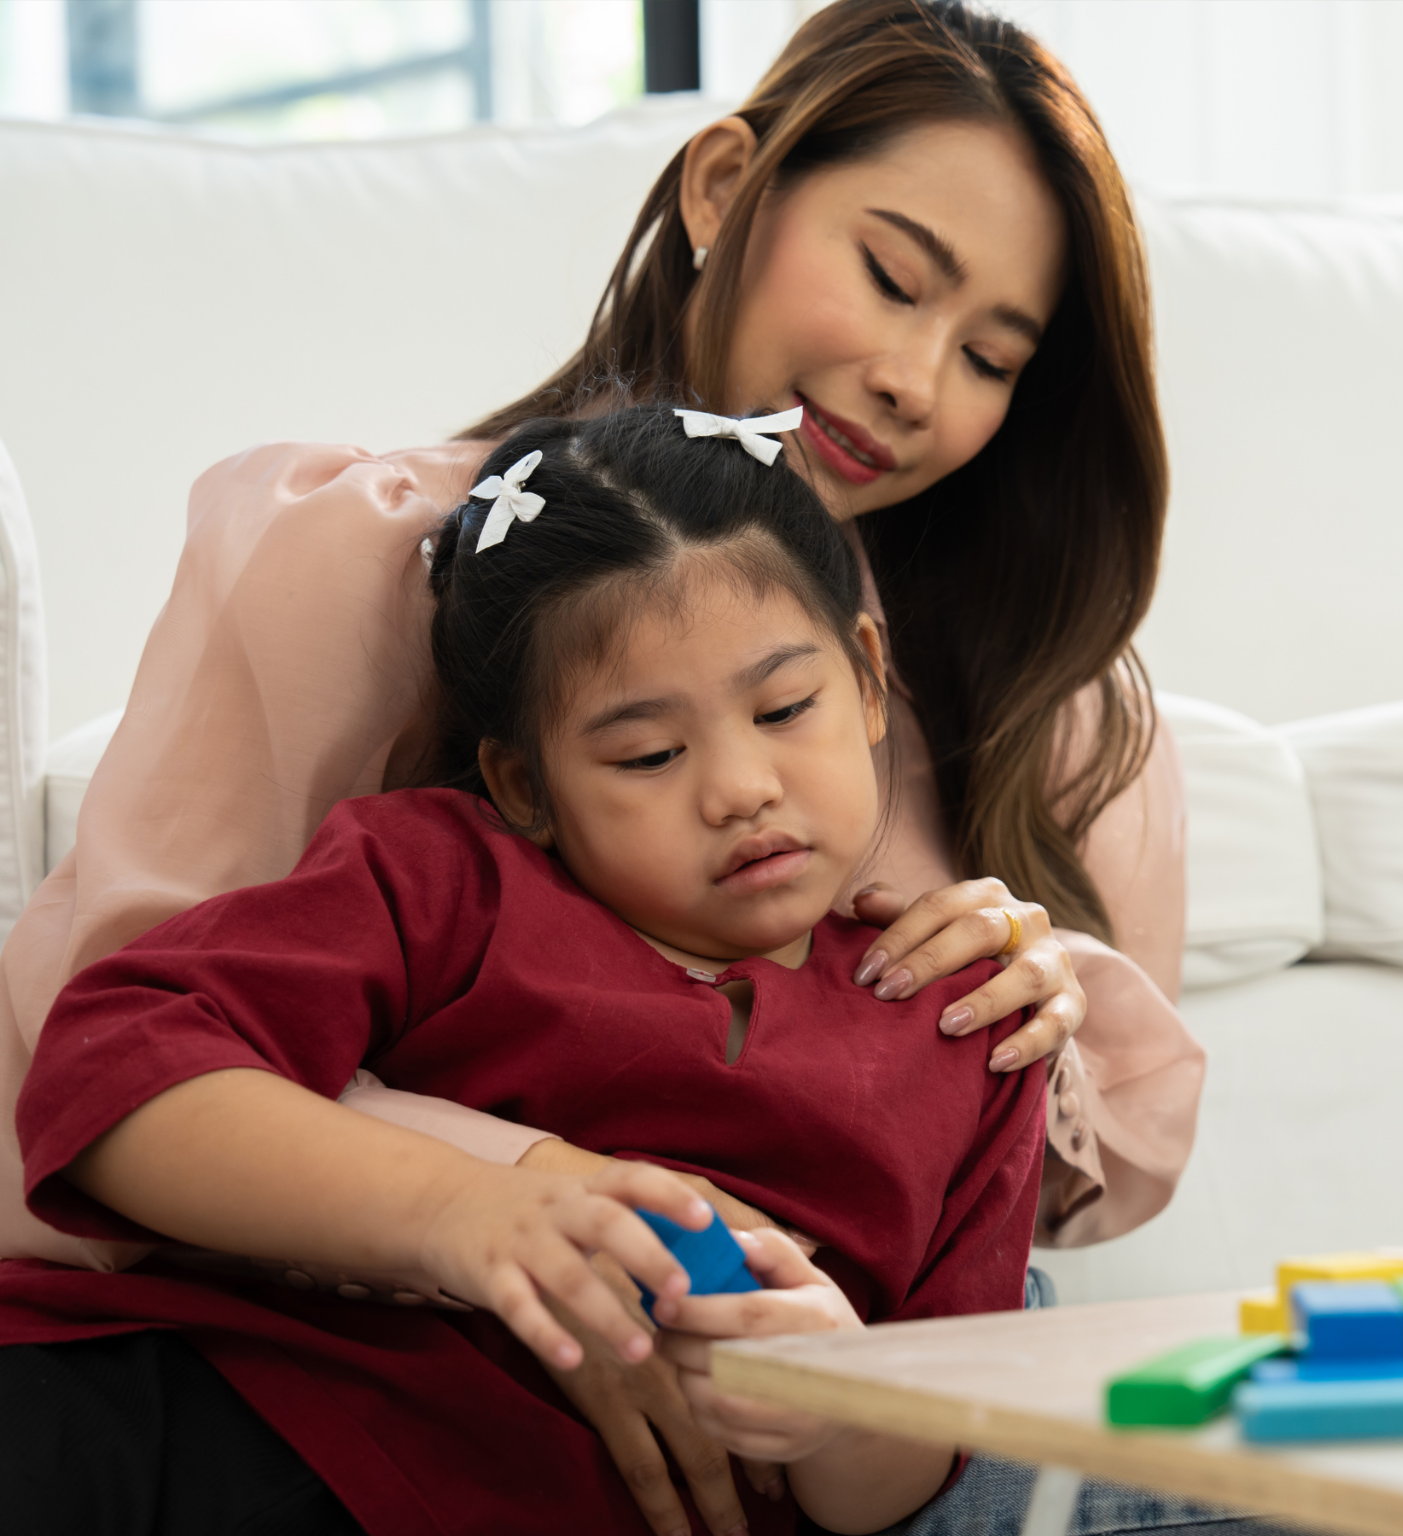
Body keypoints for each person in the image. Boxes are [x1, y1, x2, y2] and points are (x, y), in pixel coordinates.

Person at [0, 2, 1202, 1530]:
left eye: (991, 355)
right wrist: (557, 1227)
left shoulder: (1061, 708)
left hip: (833, 1402)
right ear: (720, 194)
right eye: (892, 277)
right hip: (347, 1349)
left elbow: (1008, 1272)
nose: (913, 376)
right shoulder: (377, 573)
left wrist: (1037, 1015)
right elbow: (111, 1051)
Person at [0, 406, 1047, 1536]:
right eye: (649, 754)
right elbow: (113, 1074)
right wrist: (466, 1209)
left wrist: (839, 1407)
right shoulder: (441, 877)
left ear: (866, 670)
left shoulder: (971, 1030)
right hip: (214, 1414)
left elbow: (924, 1470)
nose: (741, 786)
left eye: (786, 708)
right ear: (524, 785)